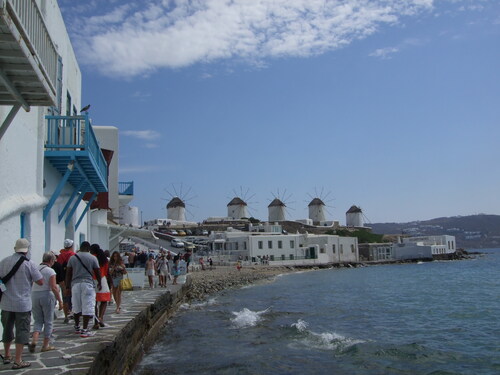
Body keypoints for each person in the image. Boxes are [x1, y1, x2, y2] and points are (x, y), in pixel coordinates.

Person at [0, 238, 43, 369]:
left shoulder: (4, 262)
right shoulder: (29, 264)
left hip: (6, 302)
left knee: (7, 329)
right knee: (22, 331)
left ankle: (7, 355)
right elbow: (40, 281)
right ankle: (18, 360)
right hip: (22, 303)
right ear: (26, 250)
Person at [65, 241, 101, 338]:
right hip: (87, 284)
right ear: (88, 248)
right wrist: (100, 283)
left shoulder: (73, 258)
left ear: (80, 247)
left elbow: (68, 273)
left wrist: (67, 286)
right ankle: (85, 330)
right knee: (87, 306)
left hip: (75, 284)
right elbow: (97, 271)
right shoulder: (93, 258)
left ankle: (77, 326)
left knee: (76, 306)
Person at [29, 252, 63, 353]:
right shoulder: (50, 271)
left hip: (34, 295)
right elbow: (53, 287)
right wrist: (60, 300)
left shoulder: (35, 269)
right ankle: (45, 345)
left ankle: (34, 340)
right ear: (51, 261)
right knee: (48, 321)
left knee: (38, 320)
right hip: (46, 295)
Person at [90, 245, 111, 329]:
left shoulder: (91, 258)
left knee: (94, 302)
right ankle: (101, 317)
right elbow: (106, 272)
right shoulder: (104, 259)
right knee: (104, 301)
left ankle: (96, 322)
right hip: (102, 280)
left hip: (92, 280)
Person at [56, 239, 76, 324]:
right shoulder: (73, 255)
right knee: (73, 297)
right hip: (72, 279)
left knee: (65, 298)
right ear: (71, 246)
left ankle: (66, 316)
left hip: (63, 279)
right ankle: (72, 312)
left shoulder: (60, 256)